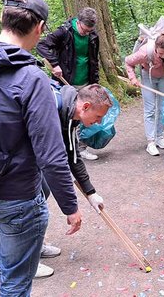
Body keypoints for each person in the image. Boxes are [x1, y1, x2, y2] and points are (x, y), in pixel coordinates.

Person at [0, 0, 82, 296]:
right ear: (40, 28)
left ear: (2, 19)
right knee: (16, 284)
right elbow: (51, 155)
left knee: (5, 261)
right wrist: (70, 205)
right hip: (18, 199)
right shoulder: (32, 80)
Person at [37, 83, 111, 278]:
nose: (99, 122)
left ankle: (35, 246)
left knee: (42, 192)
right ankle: (26, 260)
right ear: (85, 106)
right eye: (98, 117)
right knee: (30, 201)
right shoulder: (54, 110)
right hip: (15, 160)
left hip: (34, 158)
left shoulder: (71, 115)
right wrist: (71, 208)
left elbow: (72, 155)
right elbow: (55, 164)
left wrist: (91, 192)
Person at [37, 7, 101, 161]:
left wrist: (95, 83)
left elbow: (94, 59)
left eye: (89, 31)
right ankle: (61, 149)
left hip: (86, 80)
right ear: (78, 22)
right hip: (66, 82)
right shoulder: (64, 32)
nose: (87, 33)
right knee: (64, 116)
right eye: (85, 30)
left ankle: (80, 148)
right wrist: (54, 64)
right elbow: (42, 46)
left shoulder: (93, 35)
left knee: (84, 115)